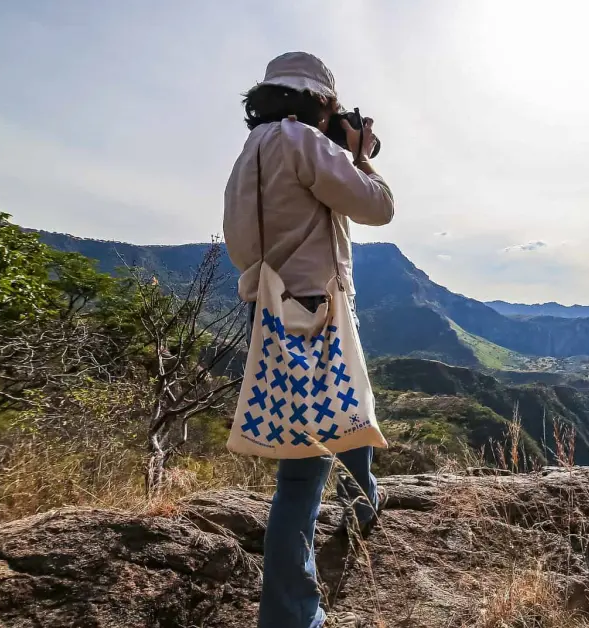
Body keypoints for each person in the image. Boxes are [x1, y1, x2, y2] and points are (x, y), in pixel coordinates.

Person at [223, 51, 395, 628]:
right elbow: (378, 209)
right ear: (319, 102)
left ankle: (365, 497)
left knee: (348, 406)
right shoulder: (304, 143)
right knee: (302, 471)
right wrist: (361, 158)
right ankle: (291, 616)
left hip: (269, 309)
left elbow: (240, 241)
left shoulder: (250, 151)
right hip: (315, 311)